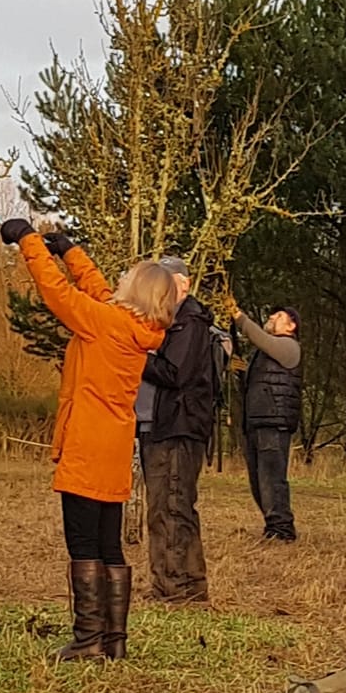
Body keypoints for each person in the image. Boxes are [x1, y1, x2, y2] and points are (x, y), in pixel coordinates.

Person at [3, 218, 175, 661]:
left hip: (85, 444)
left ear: (136, 293)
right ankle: (113, 640)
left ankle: (87, 640)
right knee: (108, 543)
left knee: (82, 544)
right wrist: (70, 251)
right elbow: (98, 292)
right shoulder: (130, 327)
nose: (119, 279)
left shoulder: (103, 324)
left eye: (127, 278)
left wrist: (29, 242)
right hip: (115, 445)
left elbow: (56, 294)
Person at [140, 257, 218, 603]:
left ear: (182, 284)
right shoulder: (172, 322)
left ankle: (174, 588)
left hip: (176, 426)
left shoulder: (190, 321)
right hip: (163, 425)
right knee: (171, 506)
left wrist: (134, 352)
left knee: (170, 507)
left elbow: (175, 373)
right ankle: (186, 584)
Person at [235, 306, 303, 541]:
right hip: (258, 418)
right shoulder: (263, 353)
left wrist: (239, 317)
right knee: (258, 480)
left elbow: (259, 337)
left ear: (291, 325)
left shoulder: (288, 347)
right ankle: (272, 525)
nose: (272, 318)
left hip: (274, 420)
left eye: (279, 316)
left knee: (271, 478)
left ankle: (282, 528)